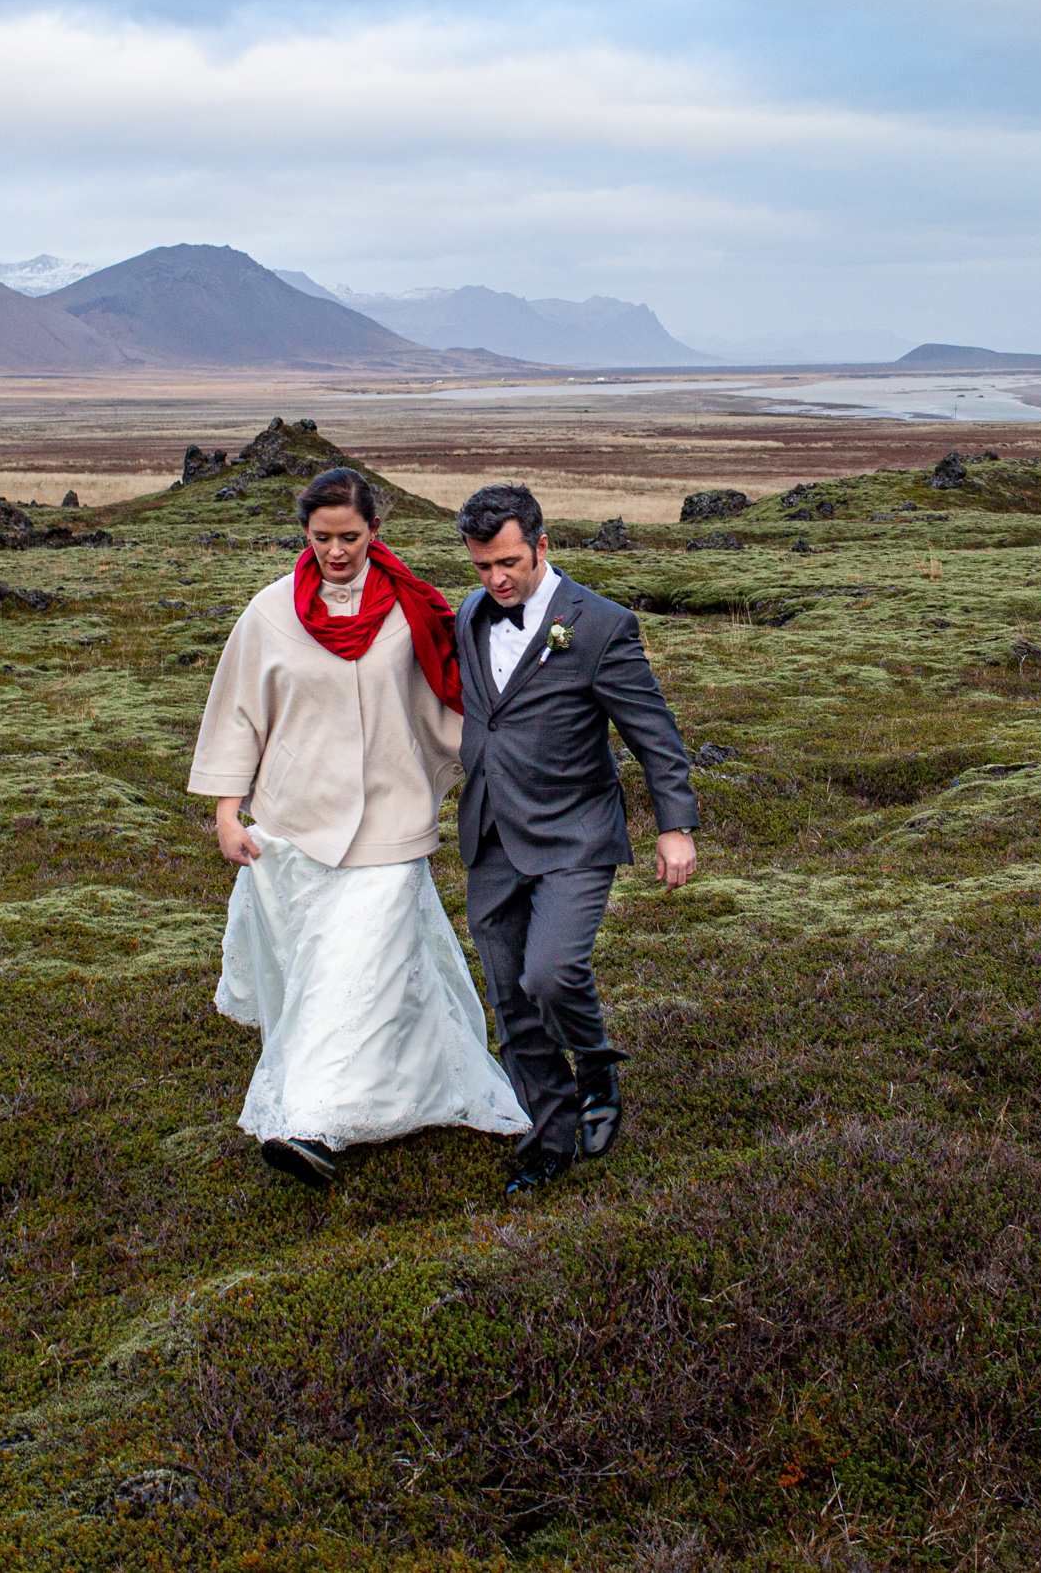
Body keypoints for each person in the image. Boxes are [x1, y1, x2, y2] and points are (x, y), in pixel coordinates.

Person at [187, 467, 530, 1188]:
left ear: (376, 530)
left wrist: (517, 762)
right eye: (322, 538)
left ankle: (310, 1123)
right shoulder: (270, 613)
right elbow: (237, 712)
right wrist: (226, 810)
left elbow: (461, 690)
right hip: (294, 824)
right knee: (324, 972)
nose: (336, 551)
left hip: (390, 822)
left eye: (350, 537)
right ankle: (413, 1084)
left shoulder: (415, 611)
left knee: (355, 970)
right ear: (303, 534)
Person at [454, 483, 699, 1195]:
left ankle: (594, 1062)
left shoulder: (599, 625)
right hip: (492, 833)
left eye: (507, 562)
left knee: (551, 974)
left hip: (575, 834)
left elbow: (654, 733)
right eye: (480, 567)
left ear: (541, 544)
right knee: (508, 996)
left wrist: (675, 825)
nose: (496, 579)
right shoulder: (470, 614)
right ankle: (548, 1134)